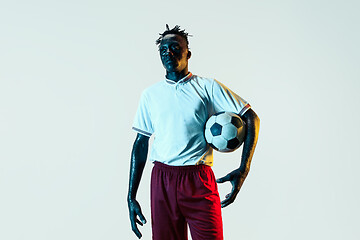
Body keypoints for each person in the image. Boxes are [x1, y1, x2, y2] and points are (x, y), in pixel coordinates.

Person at [127, 25, 260, 240]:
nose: (168, 53)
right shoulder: (150, 95)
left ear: (188, 53)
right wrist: (130, 196)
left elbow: (251, 117)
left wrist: (243, 168)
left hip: (198, 179)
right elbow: (140, 144)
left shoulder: (207, 87)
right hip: (163, 179)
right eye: (163, 50)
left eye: (175, 48)